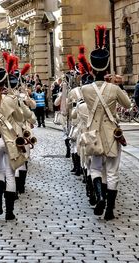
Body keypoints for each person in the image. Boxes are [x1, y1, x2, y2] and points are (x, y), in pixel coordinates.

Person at [82, 25, 131, 220]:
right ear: (107, 66)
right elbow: (127, 105)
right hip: (112, 134)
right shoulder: (114, 88)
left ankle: (99, 196)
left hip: (94, 134)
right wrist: (117, 86)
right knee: (112, 172)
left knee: (95, 169)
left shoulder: (86, 90)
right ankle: (109, 209)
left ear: (92, 68)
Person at [0, 42, 27, 220]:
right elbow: (20, 119)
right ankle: (9, 212)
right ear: (4, 82)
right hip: (9, 141)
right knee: (10, 174)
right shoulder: (11, 100)